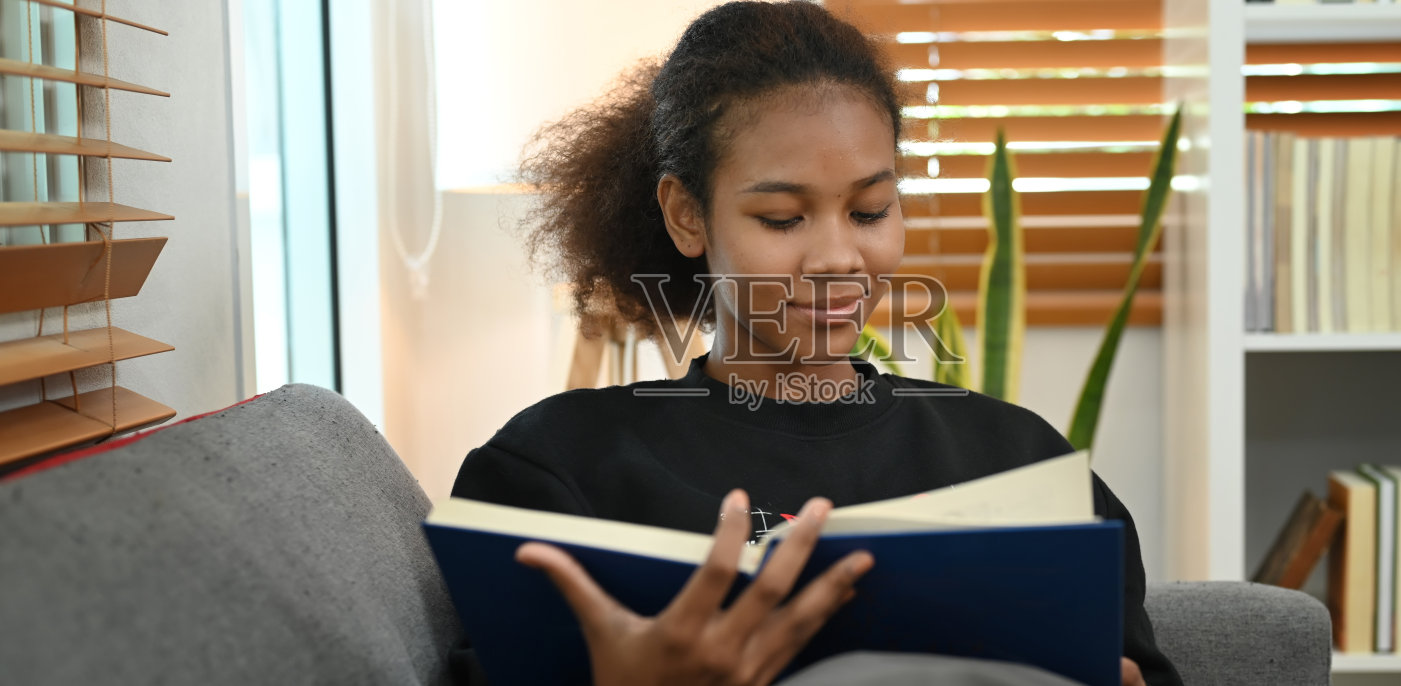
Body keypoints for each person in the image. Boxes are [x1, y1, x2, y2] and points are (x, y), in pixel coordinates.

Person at [452, 2, 1181, 685]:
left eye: (870, 211)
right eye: (782, 218)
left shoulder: (1026, 467)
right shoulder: (557, 470)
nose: (839, 258)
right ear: (686, 215)